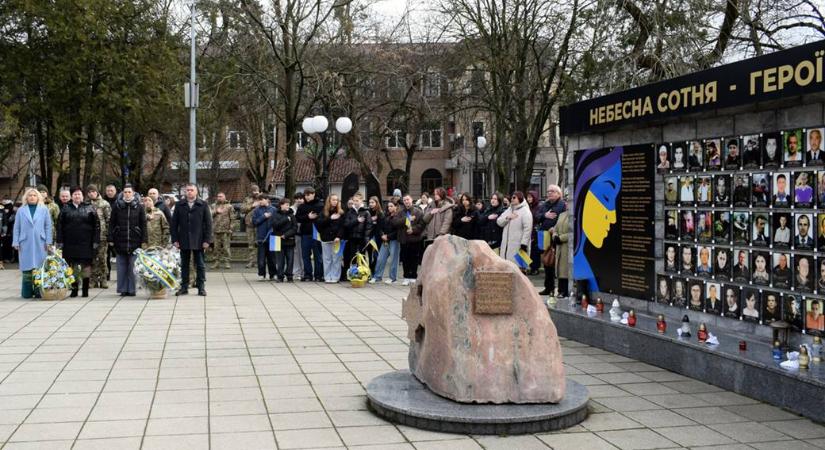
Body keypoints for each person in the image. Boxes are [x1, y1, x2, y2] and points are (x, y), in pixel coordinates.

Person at [56, 187, 99, 298]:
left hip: (86, 242)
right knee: (73, 267)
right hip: (70, 243)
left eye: (79, 194)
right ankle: (74, 289)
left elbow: (97, 226)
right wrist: (60, 241)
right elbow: (59, 226)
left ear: (82, 196)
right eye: (74, 194)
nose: (77, 196)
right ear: (71, 196)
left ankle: (85, 290)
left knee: (86, 267)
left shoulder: (90, 208)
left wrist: (95, 241)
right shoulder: (65, 208)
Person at [171, 183, 213, 296]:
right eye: (187, 190)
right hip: (183, 239)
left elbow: (208, 224)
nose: (189, 192)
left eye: (191, 190)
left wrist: (207, 240)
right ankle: (184, 287)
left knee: (200, 264)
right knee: (184, 264)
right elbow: (174, 224)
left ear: (196, 192)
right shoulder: (179, 205)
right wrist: (174, 239)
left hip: (199, 239)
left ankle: (201, 287)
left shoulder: (203, 205)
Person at [13, 188, 52, 298]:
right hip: (25, 242)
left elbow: (48, 226)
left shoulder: (44, 209)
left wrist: (48, 241)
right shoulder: (21, 210)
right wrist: (15, 241)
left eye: (34, 195)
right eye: (29, 195)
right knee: (27, 267)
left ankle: (38, 291)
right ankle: (26, 292)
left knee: (39, 267)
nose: (32, 197)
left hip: (41, 241)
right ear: (26, 197)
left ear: (38, 197)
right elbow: (16, 227)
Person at [109, 185, 147, 297]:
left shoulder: (139, 207)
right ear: (122, 193)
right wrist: (110, 237)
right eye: (125, 192)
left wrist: (144, 239)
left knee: (132, 267)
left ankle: (132, 289)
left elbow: (143, 224)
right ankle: (122, 289)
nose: (127, 194)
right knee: (121, 267)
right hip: (120, 239)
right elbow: (111, 223)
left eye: (129, 192)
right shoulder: (117, 206)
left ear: (133, 193)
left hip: (135, 240)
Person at [536, 185, 566, 295]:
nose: (549, 193)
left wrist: (555, 228)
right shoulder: (545, 204)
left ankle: (561, 289)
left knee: (556, 263)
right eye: (548, 191)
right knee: (546, 262)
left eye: (552, 191)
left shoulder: (562, 205)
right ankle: (548, 287)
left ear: (559, 193)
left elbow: (564, 219)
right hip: (543, 236)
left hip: (555, 237)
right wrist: (545, 215)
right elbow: (537, 216)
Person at [496, 191, 532, 270]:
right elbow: (499, 221)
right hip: (506, 244)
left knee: (520, 268)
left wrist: (524, 243)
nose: (512, 199)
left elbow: (528, 229)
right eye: (512, 197)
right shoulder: (509, 209)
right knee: (507, 268)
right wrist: (507, 218)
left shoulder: (525, 211)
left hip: (519, 245)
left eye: (514, 197)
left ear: (520, 199)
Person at [295, 187, 324, 282]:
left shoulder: (320, 205)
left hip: (317, 233)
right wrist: (308, 217)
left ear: (313, 194)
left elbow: (322, 217)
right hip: (305, 233)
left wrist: (315, 218)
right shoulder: (302, 207)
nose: (307, 197)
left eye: (309, 195)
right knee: (305, 255)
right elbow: (297, 218)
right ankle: (308, 275)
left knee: (318, 255)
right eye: (306, 195)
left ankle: (318, 275)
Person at [341, 193, 372, 281]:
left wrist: (366, 238)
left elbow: (369, 226)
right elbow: (346, 224)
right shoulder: (350, 212)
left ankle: (364, 274)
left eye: (357, 201)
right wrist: (357, 220)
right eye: (354, 201)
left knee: (362, 257)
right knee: (353, 256)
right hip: (352, 238)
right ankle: (354, 275)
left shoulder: (366, 212)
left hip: (362, 238)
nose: (355, 202)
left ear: (361, 201)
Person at [86, 185, 111, 289]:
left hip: (102, 236)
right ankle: (93, 279)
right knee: (92, 258)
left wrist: (109, 235)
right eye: (89, 192)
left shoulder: (104, 204)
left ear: (97, 192)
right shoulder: (86, 204)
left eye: (93, 191)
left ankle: (103, 279)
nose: (91, 193)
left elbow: (109, 220)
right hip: (90, 236)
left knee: (102, 258)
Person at [371, 198, 400, 284]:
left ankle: (392, 278)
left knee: (393, 259)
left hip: (394, 240)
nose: (389, 208)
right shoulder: (386, 216)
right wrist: (382, 235)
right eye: (388, 206)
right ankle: (377, 276)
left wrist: (388, 236)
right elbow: (380, 227)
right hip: (385, 240)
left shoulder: (398, 216)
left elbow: (398, 231)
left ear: (396, 207)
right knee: (380, 258)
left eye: (391, 206)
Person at [317, 194, 344, 283]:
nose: (335, 201)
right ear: (329, 201)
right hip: (325, 238)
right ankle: (327, 276)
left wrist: (338, 236)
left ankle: (335, 277)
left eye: (336, 200)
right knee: (327, 259)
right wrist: (329, 218)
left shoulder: (341, 212)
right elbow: (319, 224)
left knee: (336, 258)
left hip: (336, 239)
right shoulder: (323, 212)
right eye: (333, 200)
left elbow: (342, 227)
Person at [398, 195, 425, 286]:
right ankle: (406, 277)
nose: (406, 201)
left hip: (415, 239)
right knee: (405, 259)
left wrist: (413, 230)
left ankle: (413, 276)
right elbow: (395, 223)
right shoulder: (400, 212)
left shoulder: (418, 212)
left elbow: (422, 225)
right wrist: (407, 219)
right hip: (404, 239)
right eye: (404, 200)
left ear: (411, 200)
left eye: (408, 199)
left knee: (414, 259)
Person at [271, 198, 297, 282]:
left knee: (290, 259)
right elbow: (275, 225)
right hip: (278, 240)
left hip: (289, 240)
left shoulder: (292, 215)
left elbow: (294, 228)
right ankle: (280, 276)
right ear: (281, 205)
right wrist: (286, 219)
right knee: (280, 260)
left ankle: (289, 276)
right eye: (286, 205)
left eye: (288, 205)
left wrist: (286, 235)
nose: (288, 206)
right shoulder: (275, 214)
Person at [251, 194, 276, 280]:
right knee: (261, 258)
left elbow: (278, 221)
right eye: (259, 200)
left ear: (267, 200)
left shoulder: (274, 210)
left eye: (262, 199)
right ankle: (261, 274)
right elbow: (254, 222)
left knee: (272, 258)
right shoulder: (256, 210)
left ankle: (273, 274)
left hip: (272, 237)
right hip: (261, 237)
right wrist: (264, 216)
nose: (260, 201)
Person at [210, 192, 234, 270]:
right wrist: (216, 211)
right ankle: (216, 262)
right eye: (218, 196)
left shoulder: (229, 206)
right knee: (216, 248)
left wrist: (231, 228)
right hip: (216, 230)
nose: (219, 198)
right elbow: (209, 215)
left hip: (225, 230)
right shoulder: (214, 206)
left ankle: (227, 262)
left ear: (224, 197)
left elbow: (233, 219)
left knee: (226, 247)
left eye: (221, 196)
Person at [240, 184, 261, 268]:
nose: (255, 192)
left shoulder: (262, 198)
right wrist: (252, 205)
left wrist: (259, 201)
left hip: (260, 224)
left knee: (259, 243)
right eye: (253, 191)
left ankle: (260, 261)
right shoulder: (247, 199)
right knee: (251, 244)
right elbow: (242, 209)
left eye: (256, 190)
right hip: (249, 224)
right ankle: (251, 261)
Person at [552, 209, 570, 297]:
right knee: (560, 268)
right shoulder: (562, 214)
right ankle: (560, 290)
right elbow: (555, 228)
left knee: (565, 269)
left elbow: (573, 232)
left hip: (568, 246)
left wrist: (561, 238)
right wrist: (555, 235)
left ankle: (565, 291)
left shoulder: (575, 214)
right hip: (559, 246)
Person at [366, 196, 384, 273]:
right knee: (369, 255)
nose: (371, 204)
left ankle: (376, 271)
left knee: (376, 255)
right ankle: (370, 270)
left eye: (372, 202)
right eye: (370, 202)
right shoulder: (368, 212)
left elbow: (381, 225)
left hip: (377, 237)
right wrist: (371, 220)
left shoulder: (380, 213)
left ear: (377, 203)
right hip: (369, 236)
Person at [291, 192, 305, 281]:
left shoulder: (305, 207)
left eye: (300, 198)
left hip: (305, 233)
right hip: (296, 234)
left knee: (304, 254)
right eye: (297, 198)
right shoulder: (291, 209)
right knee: (296, 253)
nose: (299, 200)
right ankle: (296, 272)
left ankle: (304, 272)